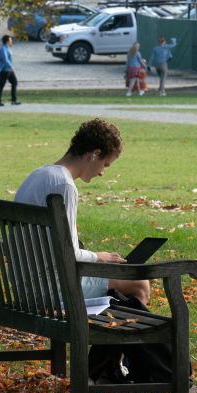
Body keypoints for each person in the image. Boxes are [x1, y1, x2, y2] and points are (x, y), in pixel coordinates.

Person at [14, 118, 150, 304]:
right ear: (94, 154)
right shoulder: (64, 185)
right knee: (140, 283)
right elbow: (68, 253)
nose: (102, 173)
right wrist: (99, 257)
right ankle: (120, 333)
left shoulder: (38, 174)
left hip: (23, 283)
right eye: (105, 164)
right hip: (49, 289)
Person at [0, 34, 21, 106]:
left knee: (14, 82)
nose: (11, 41)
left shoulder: (8, 48)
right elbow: (5, 59)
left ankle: (14, 100)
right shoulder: (3, 49)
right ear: (7, 41)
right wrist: (11, 66)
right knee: (1, 85)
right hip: (4, 70)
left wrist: (11, 67)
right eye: (10, 40)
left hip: (9, 70)